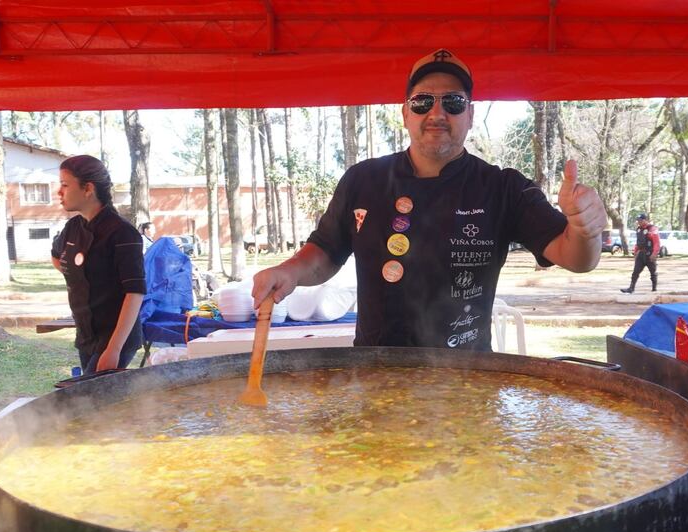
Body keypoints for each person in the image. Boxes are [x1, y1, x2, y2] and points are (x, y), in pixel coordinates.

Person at [252, 48, 607, 351]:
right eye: (423, 102)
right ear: (406, 113)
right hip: (377, 374)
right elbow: (325, 252)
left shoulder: (504, 187)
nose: (437, 114)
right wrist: (289, 271)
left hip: (468, 380)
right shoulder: (363, 180)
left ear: (469, 115)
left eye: (453, 102)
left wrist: (585, 230)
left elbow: (575, 258)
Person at [51, 155, 146, 373]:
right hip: (86, 333)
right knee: (92, 399)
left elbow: (135, 293)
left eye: (65, 185)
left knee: (94, 399)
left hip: (115, 336)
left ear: (88, 189)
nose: (59, 192)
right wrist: (78, 277)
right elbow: (57, 256)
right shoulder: (72, 227)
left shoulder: (122, 232)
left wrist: (114, 349)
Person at [620, 213, 660, 293]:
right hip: (641, 254)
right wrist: (635, 252)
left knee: (653, 272)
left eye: (641, 220)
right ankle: (631, 288)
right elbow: (638, 242)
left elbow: (656, 242)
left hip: (650, 253)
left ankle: (654, 289)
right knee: (635, 272)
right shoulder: (639, 229)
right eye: (638, 221)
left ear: (645, 220)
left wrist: (654, 253)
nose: (639, 222)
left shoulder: (652, 229)